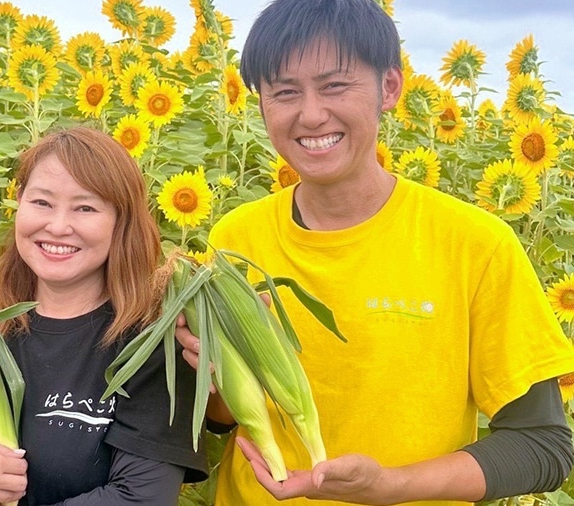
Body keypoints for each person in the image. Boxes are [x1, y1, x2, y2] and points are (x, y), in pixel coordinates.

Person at [174, 0, 574, 504]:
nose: (311, 114)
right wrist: (215, 386)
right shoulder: (237, 239)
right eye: (284, 92)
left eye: (335, 85)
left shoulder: (474, 243)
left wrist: (389, 486)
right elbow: (224, 421)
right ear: (260, 105)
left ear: (389, 88)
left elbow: (543, 446)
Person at [0, 126, 207, 505]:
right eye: (41, 202)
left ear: (122, 222)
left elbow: (142, 497)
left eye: (85, 207)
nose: (57, 226)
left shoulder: (153, 342)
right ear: (19, 203)